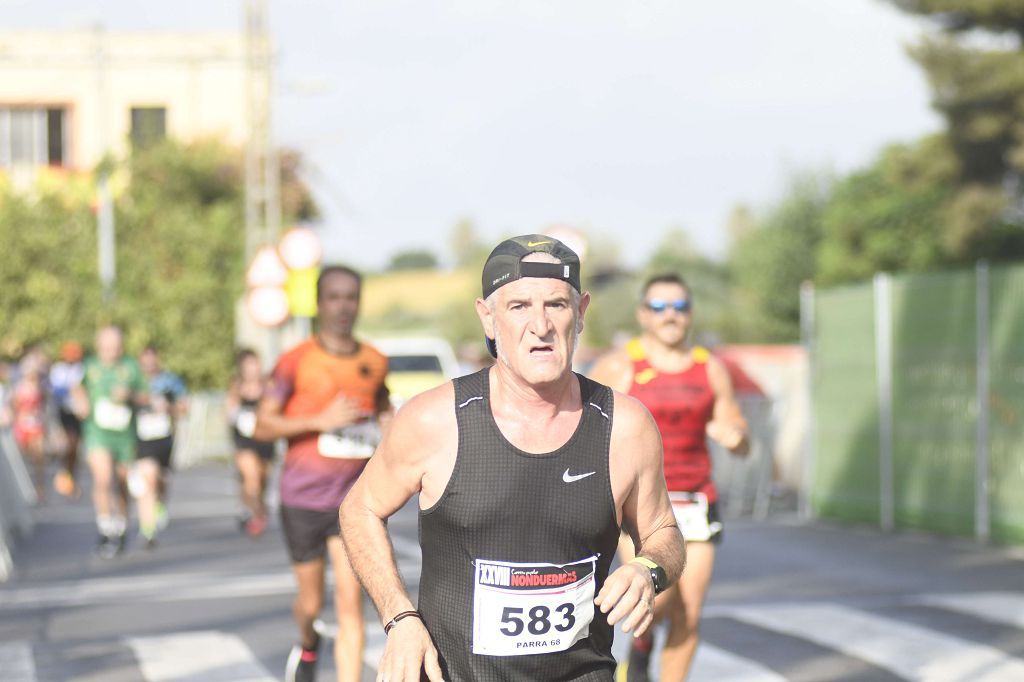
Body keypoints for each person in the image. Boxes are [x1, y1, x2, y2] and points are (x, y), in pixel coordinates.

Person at [339, 235, 687, 682]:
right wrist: (399, 619)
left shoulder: (624, 425)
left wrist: (647, 570)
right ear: (488, 318)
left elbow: (663, 533)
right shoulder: (435, 420)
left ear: (580, 314)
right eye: (519, 306)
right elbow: (359, 508)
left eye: (556, 305)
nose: (540, 325)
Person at [589, 273, 749, 682]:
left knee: (689, 611)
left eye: (679, 307)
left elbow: (737, 433)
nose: (670, 315)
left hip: (695, 499)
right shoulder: (620, 366)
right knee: (658, 598)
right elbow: (585, 429)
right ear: (644, 315)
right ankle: (641, 649)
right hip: (639, 501)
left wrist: (735, 438)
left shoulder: (709, 369)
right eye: (659, 307)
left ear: (690, 314)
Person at [253, 265, 391, 682]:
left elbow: (382, 409)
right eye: (334, 297)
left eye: (350, 296)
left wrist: (389, 424)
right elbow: (263, 424)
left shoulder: (375, 360)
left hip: (354, 502)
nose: (343, 306)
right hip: (304, 498)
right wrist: (320, 419)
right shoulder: (295, 362)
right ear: (318, 303)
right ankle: (309, 642)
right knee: (311, 605)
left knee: (351, 605)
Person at [71, 326, 147, 559]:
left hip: (124, 435)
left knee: (122, 482)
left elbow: (145, 396)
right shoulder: (90, 366)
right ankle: (106, 528)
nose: (111, 351)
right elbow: (77, 389)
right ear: (99, 345)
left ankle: (122, 524)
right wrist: (81, 402)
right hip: (98, 432)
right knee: (103, 479)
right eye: (107, 346)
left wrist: (130, 396)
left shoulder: (131, 366)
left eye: (115, 346)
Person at [134, 345, 188, 548]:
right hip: (142, 439)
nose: (148, 364)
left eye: (152, 359)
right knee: (147, 478)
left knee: (160, 480)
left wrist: (169, 408)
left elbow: (184, 407)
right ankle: (147, 529)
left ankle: (160, 504)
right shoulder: (135, 381)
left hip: (164, 439)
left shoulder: (170, 380)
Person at [226, 347, 276, 537]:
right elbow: (229, 412)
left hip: (264, 438)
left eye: (255, 363)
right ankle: (256, 517)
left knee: (263, 478)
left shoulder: (268, 384)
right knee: (251, 477)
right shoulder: (237, 386)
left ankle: (250, 506)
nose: (253, 368)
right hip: (244, 440)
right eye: (249, 365)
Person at [10, 347, 49, 499]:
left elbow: (44, 406)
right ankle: (23, 487)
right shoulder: (19, 388)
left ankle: (40, 487)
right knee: (22, 457)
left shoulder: (41, 388)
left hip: (37, 425)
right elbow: (14, 406)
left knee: (39, 457)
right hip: (22, 426)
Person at [50, 341, 85, 497]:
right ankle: (64, 472)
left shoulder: (82, 369)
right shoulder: (58, 370)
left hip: (77, 413)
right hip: (64, 412)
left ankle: (70, 476)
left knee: (75, 447)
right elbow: (58, 391)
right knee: (67, 444)